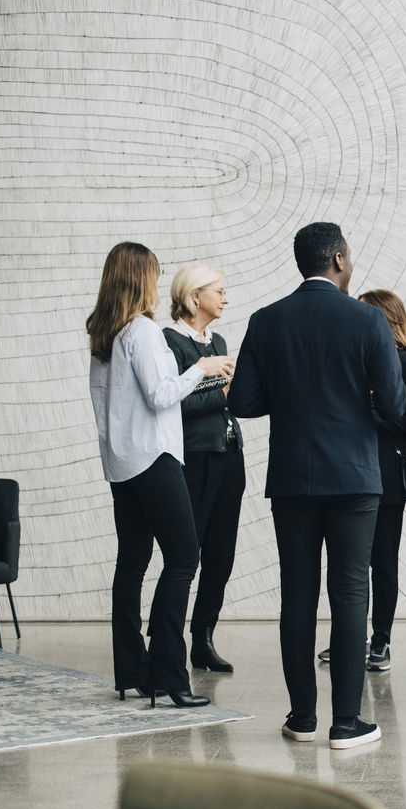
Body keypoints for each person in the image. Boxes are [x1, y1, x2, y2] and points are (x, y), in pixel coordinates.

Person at [227, 222, 405, 750]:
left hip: (293, 479)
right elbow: (395, 407)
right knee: (352, 593)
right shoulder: (369, 320)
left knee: (298, 594)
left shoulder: (266, 321)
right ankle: (347, 724)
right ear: (338, 260)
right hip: (354, 477)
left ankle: (302, 718)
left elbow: (241, 402)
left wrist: (291, 397)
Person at [86, 241, 234, 708]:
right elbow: (161, 395)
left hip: (121, 465)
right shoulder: (144, 332)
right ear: (139, 278)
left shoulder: (103, 335)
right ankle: (171, 675)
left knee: (131, 564)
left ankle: (134, 671)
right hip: (155, 459)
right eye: (153, 272)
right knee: (184, 558)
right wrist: (203, 367)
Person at [316, 289, 406, 671]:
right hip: (354, 472)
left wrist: (366, 415)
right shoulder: (360, 359)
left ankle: (381, 641)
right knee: (350, 564)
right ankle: (350, 641)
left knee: (383, 563)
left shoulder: (402, 359)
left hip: (387, 477)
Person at [163, 263, 245, 673]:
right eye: (219, 291)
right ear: (195, 297)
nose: (225, 298)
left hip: (230, 457)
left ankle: (203, 638)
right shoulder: (171, 342)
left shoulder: (220, 340)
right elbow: (176, 404)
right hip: (196, 459)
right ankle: (169, 641)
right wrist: (224, 391)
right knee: (187, 554)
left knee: (222, 555)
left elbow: (225, 397)